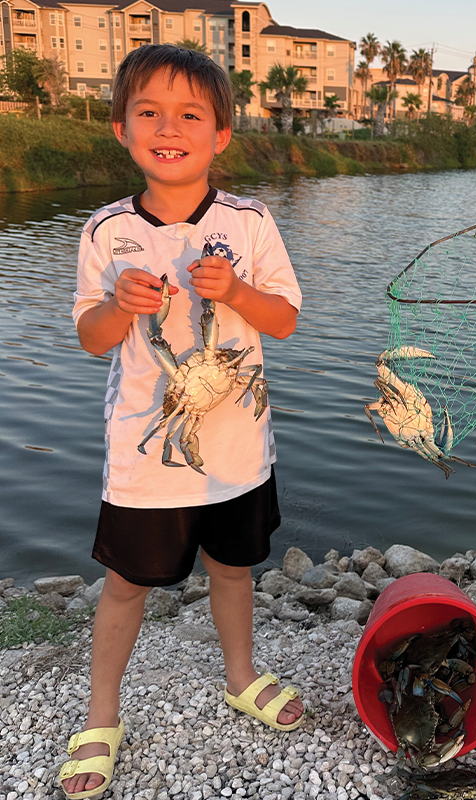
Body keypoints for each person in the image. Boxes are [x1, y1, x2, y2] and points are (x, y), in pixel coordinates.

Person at [59, 45, 303, 799]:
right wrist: (116, 307)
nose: (170, 127)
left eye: (190, 114)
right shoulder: (106, 233)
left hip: (237, 451)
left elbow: (285, 320)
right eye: (149, 112)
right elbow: (90, 336)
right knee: (126, 583)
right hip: (146, 452)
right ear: (122, 130)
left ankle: (241, 676)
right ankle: (103, 716)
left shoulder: (250, 221)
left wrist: (233, 291)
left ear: (220, 134)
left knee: (234, 568)